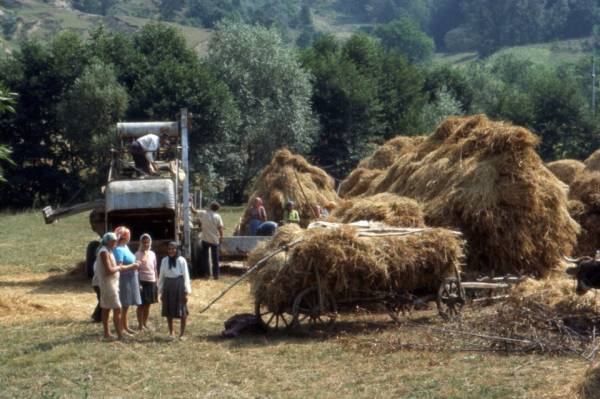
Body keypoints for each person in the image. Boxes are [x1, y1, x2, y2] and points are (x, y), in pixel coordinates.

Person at [94, 232, 137, 340]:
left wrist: (119, 267)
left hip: (111, 283)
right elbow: (109, 270)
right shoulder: (104, 252)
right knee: (117, 308)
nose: (115, 243)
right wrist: (120, 267)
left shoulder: (108, 251)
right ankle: (120, 335)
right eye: (113, 241)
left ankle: (107, 334)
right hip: (108, 285)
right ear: (108, 241)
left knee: (106, 308)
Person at [158, 242, 192, 340]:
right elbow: (161, 276)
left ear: (177, 249)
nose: (171, 251)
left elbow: (186, 276)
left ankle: (182, 334)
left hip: (179, 286)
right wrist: (161, 291)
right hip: (168, 286)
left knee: (182, 310)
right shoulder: (164, 260)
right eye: (169, 249)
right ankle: (171, 332)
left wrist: (186, 291)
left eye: (173, 249)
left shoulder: (181, 260)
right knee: (169, 310)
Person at [113, 226, 141, 335]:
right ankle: (122, 328)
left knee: (126, 304)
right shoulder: (118, 250)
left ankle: (125, 326)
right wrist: (133, 266)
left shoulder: (125, 247)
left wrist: (136, 264)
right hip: (124, 279)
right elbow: (119, 266)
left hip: (131, 277)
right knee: (123, 304)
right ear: (125, 237)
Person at [135, 233, 158, 332]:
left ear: (150, 243)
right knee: (141, 305)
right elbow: (136, 271)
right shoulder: (137, 254)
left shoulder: (152, 254)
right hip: (142, 282)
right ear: (141, 243)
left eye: (147, 242)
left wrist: (156, 281)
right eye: (144, 242)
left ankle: (145, 323)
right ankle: (140, 326)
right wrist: (138, 283)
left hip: (151, 281)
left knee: (148, 304)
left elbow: (155, 268)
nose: (146, 244)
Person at [198, 201, 224, 279]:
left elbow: (194, 211)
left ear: (210, 206)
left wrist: (191, 203)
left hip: (205, 239)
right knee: (215, 258)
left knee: (205, 258)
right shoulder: (217, 216)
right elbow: (220, 228)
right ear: (217, 209)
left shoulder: (204, 213)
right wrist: (221, 237)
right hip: (214, 240)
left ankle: (206, 274)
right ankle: (216, 275)